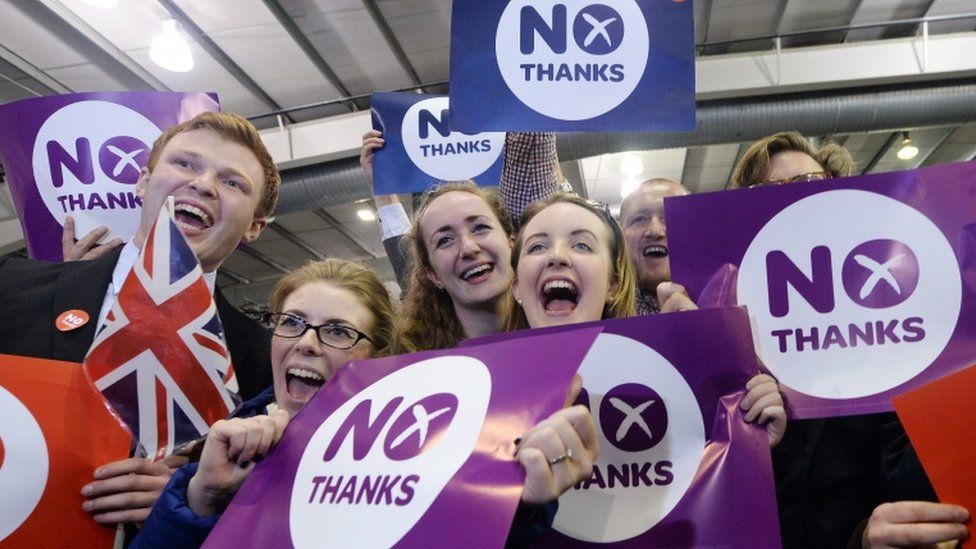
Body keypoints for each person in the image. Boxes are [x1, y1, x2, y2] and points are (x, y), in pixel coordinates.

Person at [132, 258, 596, 547]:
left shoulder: (426, 460)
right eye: (292, 322)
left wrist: (512, 505)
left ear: (378, 359)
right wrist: (203, 498)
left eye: (337, 331)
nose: (307, 343)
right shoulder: (222, 451)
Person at [0, 111, 280, 526]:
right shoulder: (11, 287)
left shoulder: (265, 362)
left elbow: (266, 511)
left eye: (232, 182)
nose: (203, 184)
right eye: (185, 164)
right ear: (144, 181)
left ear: (254, 226)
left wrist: (189, 498)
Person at [728, 131, 967, 548]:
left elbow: (923, 479)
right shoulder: (733, 343)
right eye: (765, 193)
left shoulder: (898, 332)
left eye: (809, 184)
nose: (793, 203)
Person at [507, 193, 787, 446]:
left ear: (612, 285)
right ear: (517, 286)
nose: (557, 256)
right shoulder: (481, 404)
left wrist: (752, 441)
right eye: (537, 247)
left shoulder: (672, 394)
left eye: (581, 245)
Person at [618, 178, 692, 315]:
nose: (655, 231)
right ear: (621, 238)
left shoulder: (731, 299)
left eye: (671, 217)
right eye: (640, 219)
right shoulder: (598, 313)